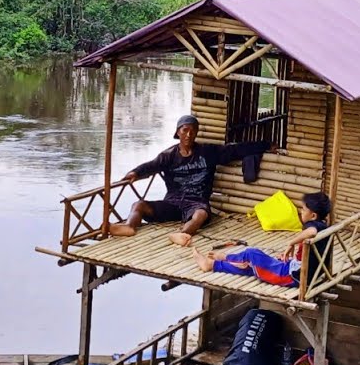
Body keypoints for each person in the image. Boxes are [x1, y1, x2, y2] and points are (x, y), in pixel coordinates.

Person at [110, 114, 271, 246]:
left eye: (193, 131)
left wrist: (266, 145)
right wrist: (135, 172)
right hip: (172, 203)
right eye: (185, 130)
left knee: (201, 214)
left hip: (196, 203)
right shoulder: (168, 156)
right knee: (138, 205)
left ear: (196, 133)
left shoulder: (207, 152)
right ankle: (129, 226)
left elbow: (236, 150)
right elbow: (151, 166)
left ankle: (183, 234)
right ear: (178, 132)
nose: (188, 135)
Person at [192, 192, 332, 288]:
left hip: (290, 276)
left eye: (303, 210)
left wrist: (291, 243)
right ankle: (212, 264)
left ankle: (225, 257)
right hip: (304, 273)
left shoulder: (313, 227)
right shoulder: (324, 226)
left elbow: (311, 232)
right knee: (251, 267)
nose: (301, 212)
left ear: (313, 216)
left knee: (252, 253)